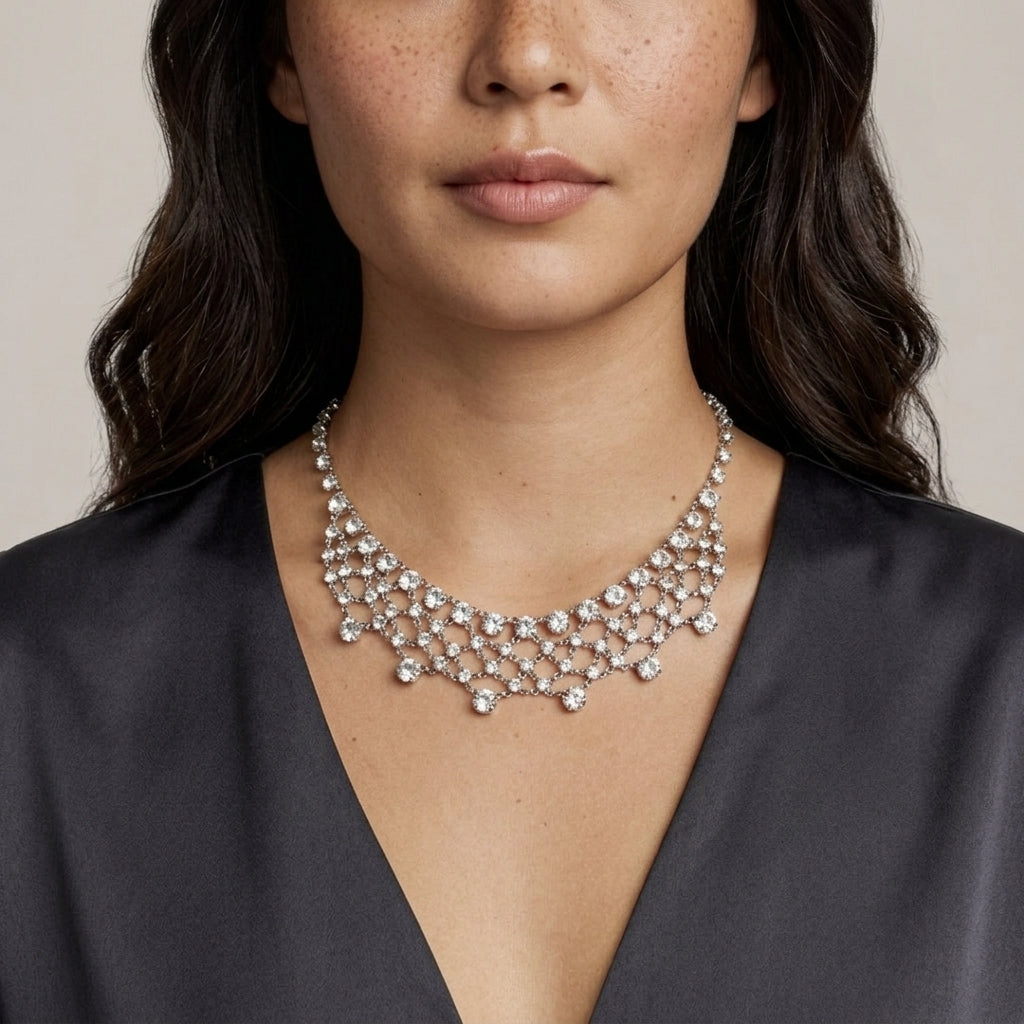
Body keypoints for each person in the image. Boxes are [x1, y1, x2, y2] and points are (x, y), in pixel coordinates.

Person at [1, 0, 1022, 1020]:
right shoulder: (32, 693)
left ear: (766, 50)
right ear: (280, 50)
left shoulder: (999, 680)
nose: (525, 57)